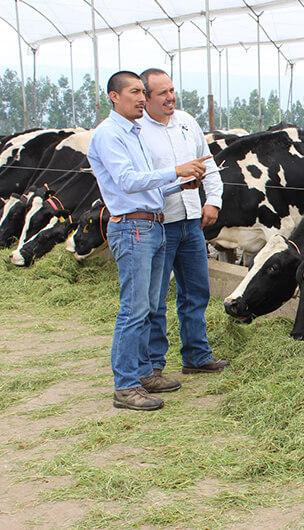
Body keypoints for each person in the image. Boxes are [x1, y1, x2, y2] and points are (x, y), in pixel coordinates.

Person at [87, 70, 210, 411]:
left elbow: (145, 186)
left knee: (150, 306)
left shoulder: (134, 132)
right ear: (114, 96)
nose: (142, 98)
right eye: (134, 92)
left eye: (143, 92)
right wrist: (175, 171)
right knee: (135, 308)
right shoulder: (110, 134)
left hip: (152, 224)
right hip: (133, 229)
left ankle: (144, 374)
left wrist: (177, 186)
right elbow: (126, 182)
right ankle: (126, 386)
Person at [138, 68, 229, 382]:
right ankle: (153, 365)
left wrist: (213, 200)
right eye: (162, 92)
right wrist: (177, 181)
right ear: (145, 97)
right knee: (156, 297)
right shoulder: (138, 132)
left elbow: (209, 165)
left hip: (191, 223)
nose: (170, 97)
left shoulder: (187, 122)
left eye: (172, 90)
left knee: (197, 292)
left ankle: (196, 355)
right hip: (159, 224)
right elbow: (138, 184)